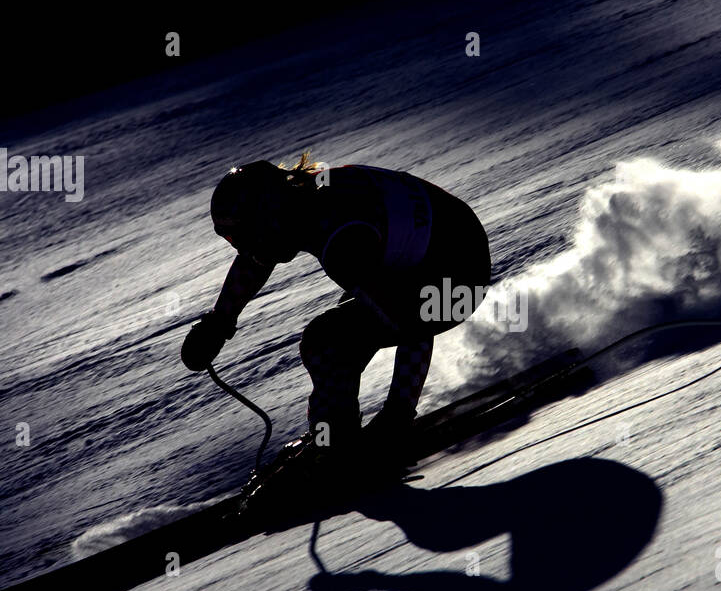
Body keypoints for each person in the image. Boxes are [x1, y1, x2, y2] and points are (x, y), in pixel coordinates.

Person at [181, 154, 491, 465]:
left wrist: (396, 418)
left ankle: (335, 443)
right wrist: (218, 322)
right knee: (348, 324)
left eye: (241, 236)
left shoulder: (342, 240)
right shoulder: (302, 200)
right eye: (230, 239)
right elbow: (255, 259)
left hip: (459, 276)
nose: (240, 248)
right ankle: (333, 438)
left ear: (269, 216)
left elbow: (412, 324)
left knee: (327, 341)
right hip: (449, 251)